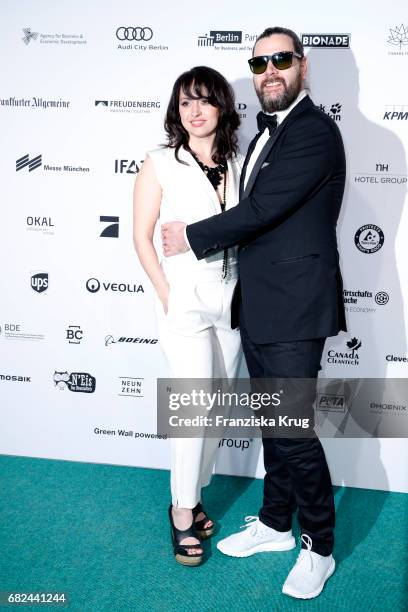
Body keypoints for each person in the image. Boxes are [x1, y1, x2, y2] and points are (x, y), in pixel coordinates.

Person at [161, 27, 346, 598]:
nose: (269, 70)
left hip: (295, 311)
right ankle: (273, 523)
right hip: (260, 308)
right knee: (275, 427)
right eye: (260, 61)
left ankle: (319, 545)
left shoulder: (312, 132)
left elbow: (263, 209)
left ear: (302, 66)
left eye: (281, 59)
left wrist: (190, 236)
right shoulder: (269, 133)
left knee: (292, 431)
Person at [133, 66, 243, 566]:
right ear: (176, 112)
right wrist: (165, 292)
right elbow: (140, 235)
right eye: (184, 103)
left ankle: (195, 494)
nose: (194, 111)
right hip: (185, 300)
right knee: (193, 410)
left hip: (236, 298)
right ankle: (180, 513)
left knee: (217, 409)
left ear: (222, 105)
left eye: (203, 101)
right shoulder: (159, 162)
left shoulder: (243, 159)